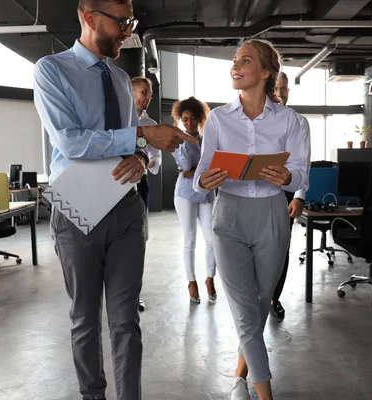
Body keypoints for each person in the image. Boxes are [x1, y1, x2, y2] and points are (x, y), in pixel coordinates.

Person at [33, 1, 196, 399]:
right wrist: (141, 139)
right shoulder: (51, 71)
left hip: (124, 209)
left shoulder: (123, 80)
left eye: (131, 22)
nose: (128, 30)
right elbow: (71, 142)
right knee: (85, 319)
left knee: (126, 321)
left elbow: (140, 144)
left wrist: (142, 156)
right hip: (77, 209)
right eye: (122, 22)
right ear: (89, 18)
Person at [193, 39, 310, 400]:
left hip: (272, 215)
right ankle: (265, 393)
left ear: (264, 72)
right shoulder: (218, 119)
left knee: (260, 303)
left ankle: (240, 376)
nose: (235, 66)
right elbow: (201, 172)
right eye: (233, 61)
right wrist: (205, 180)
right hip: (228, 214)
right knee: (245, 309)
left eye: (245, 60)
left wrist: (286, 178)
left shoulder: (293, 121)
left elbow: (301, 174)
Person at [270, 71, 308, 320]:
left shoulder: (296, 122)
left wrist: (299, 196)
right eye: (277, 88)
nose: (281, 93)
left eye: (285, 89)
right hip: (257, 194)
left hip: (286, 194)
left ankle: (274, 297)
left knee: (281, 248)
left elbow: (302, 164)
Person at [171, 96, 217, 303]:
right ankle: (191, 282)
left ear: (199, 119)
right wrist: (183, 145)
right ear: (180, 120)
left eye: (192, 119)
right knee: (190, 240)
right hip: (185, 194)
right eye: (185, 119)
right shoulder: (178, 140)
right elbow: (186, 166)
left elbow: (206, 167)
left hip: (206, 193)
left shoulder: (207, 139)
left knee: (211, 240)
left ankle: (209, 278)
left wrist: (195, 170)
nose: (188, 123)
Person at [131, 76, 162, 312]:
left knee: (138, 240)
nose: (147, 97)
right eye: (143, 92)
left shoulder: (151, 124)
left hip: (139, 186)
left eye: (150, 93)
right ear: (130, 92)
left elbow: (157, 159)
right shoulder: (115, 119)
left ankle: (133, 295)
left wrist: (146, 160)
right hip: (111, 187)